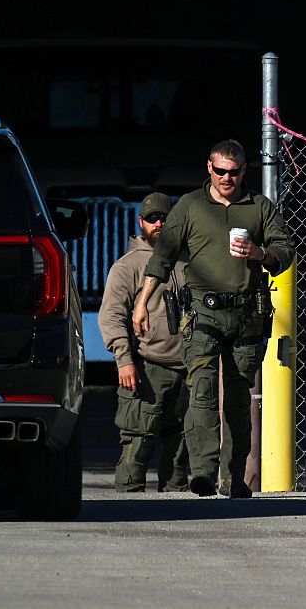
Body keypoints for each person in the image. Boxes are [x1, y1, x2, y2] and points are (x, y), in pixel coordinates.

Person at [132, 139, 295, 498]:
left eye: (233, 172)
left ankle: (233, 478)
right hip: (203, 312)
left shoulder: (259, 207)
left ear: (243, 171)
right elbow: (162, 256)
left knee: (238, 399)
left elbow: (285, 250)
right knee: (202, 392)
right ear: (209, 168)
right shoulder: (190, 206)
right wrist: (143, 302)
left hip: (246, 314)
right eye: (220, 171)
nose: (227, 178)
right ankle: (203, 472)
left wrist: (260, 253)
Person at [98, 192, 189, 492]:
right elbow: (111, 316)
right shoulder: (127, 266)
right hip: (147, 368)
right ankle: (127, 514)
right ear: (141, 222)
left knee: (180, 453)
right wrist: (124, 360)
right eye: (152, 218)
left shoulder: (185, 261)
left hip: (187, 370)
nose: (159, 223)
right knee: (138, 445)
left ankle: (181, 519)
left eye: (165, 217)